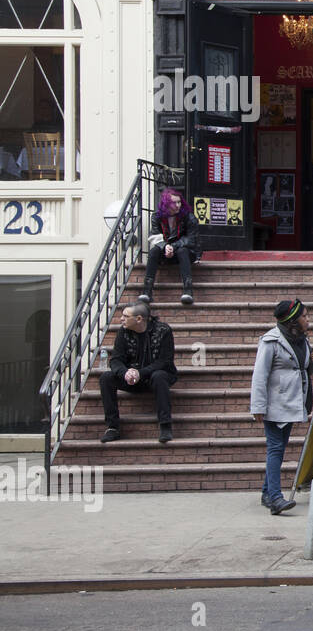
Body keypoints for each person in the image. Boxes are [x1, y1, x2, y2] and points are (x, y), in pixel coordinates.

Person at [250, 299, 313, 515]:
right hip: (275, 405)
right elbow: (259, 375)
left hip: (293, 402)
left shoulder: (302, 340)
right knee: (275, 449)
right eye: (304, 316)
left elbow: (303, 368)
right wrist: (258, 407)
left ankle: (266, 493)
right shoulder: (271, 341)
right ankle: (276, 498)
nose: (308, 320)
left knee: (278, 448)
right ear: (293, 320)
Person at [99, 302, 179, 444]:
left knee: (159, 375)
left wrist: (140, 373)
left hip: (155, 377)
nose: (121, 319)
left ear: (139, 319)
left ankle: (165, 425)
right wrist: (126, 373)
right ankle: (112, 427)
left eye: (125, 316)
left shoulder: (163, 331)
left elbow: (164, 361)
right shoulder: (123, 332)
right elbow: (116, 359)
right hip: (132, 379)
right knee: (106, 378)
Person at [140, 187, 202, 305]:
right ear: (166, 204)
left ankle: (187, 291)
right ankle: (147, 291)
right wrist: (165, 247)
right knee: (154, 251)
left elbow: (191, 240)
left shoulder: (188, 217)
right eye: (174, 203)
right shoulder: (157, 217)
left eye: (179, 202)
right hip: (167, 253)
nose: (178, 205)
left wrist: (173, 246)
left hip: (186, 254)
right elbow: (155, 235)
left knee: (182, 250)